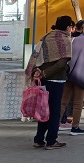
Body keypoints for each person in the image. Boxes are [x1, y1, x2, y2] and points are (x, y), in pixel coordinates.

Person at [31, 15, 74, 150]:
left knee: (44, 109)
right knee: (54, 111)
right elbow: (62, 63)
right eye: (71, 27)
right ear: (68, 27)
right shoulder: (65, 39)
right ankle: (51, 140)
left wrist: (39, 72)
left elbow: (37, 56)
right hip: (56, 80)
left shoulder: (46, 37)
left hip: (43, 80)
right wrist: (46, 73)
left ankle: (39, 139)